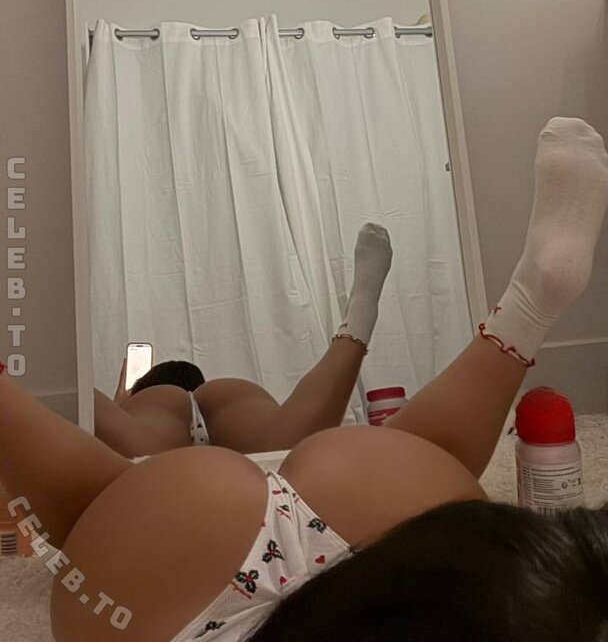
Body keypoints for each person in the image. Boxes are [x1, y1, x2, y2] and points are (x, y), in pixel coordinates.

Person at [1, 118, 607, 642]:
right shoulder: (217, 393)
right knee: (277, 431)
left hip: (201, 514)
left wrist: (130, 395)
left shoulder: (163, 393)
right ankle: (383, 319)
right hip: (300, 513)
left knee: (117, 475)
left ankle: (526, 306)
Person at [93, 222, 393, 460]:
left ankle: (82, 389)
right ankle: (358, 318)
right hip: (231, 414)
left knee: (141, 458)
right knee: (281, 447)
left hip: (154, 420)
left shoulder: (154, 403)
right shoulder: (221, 399)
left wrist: (121, 410)